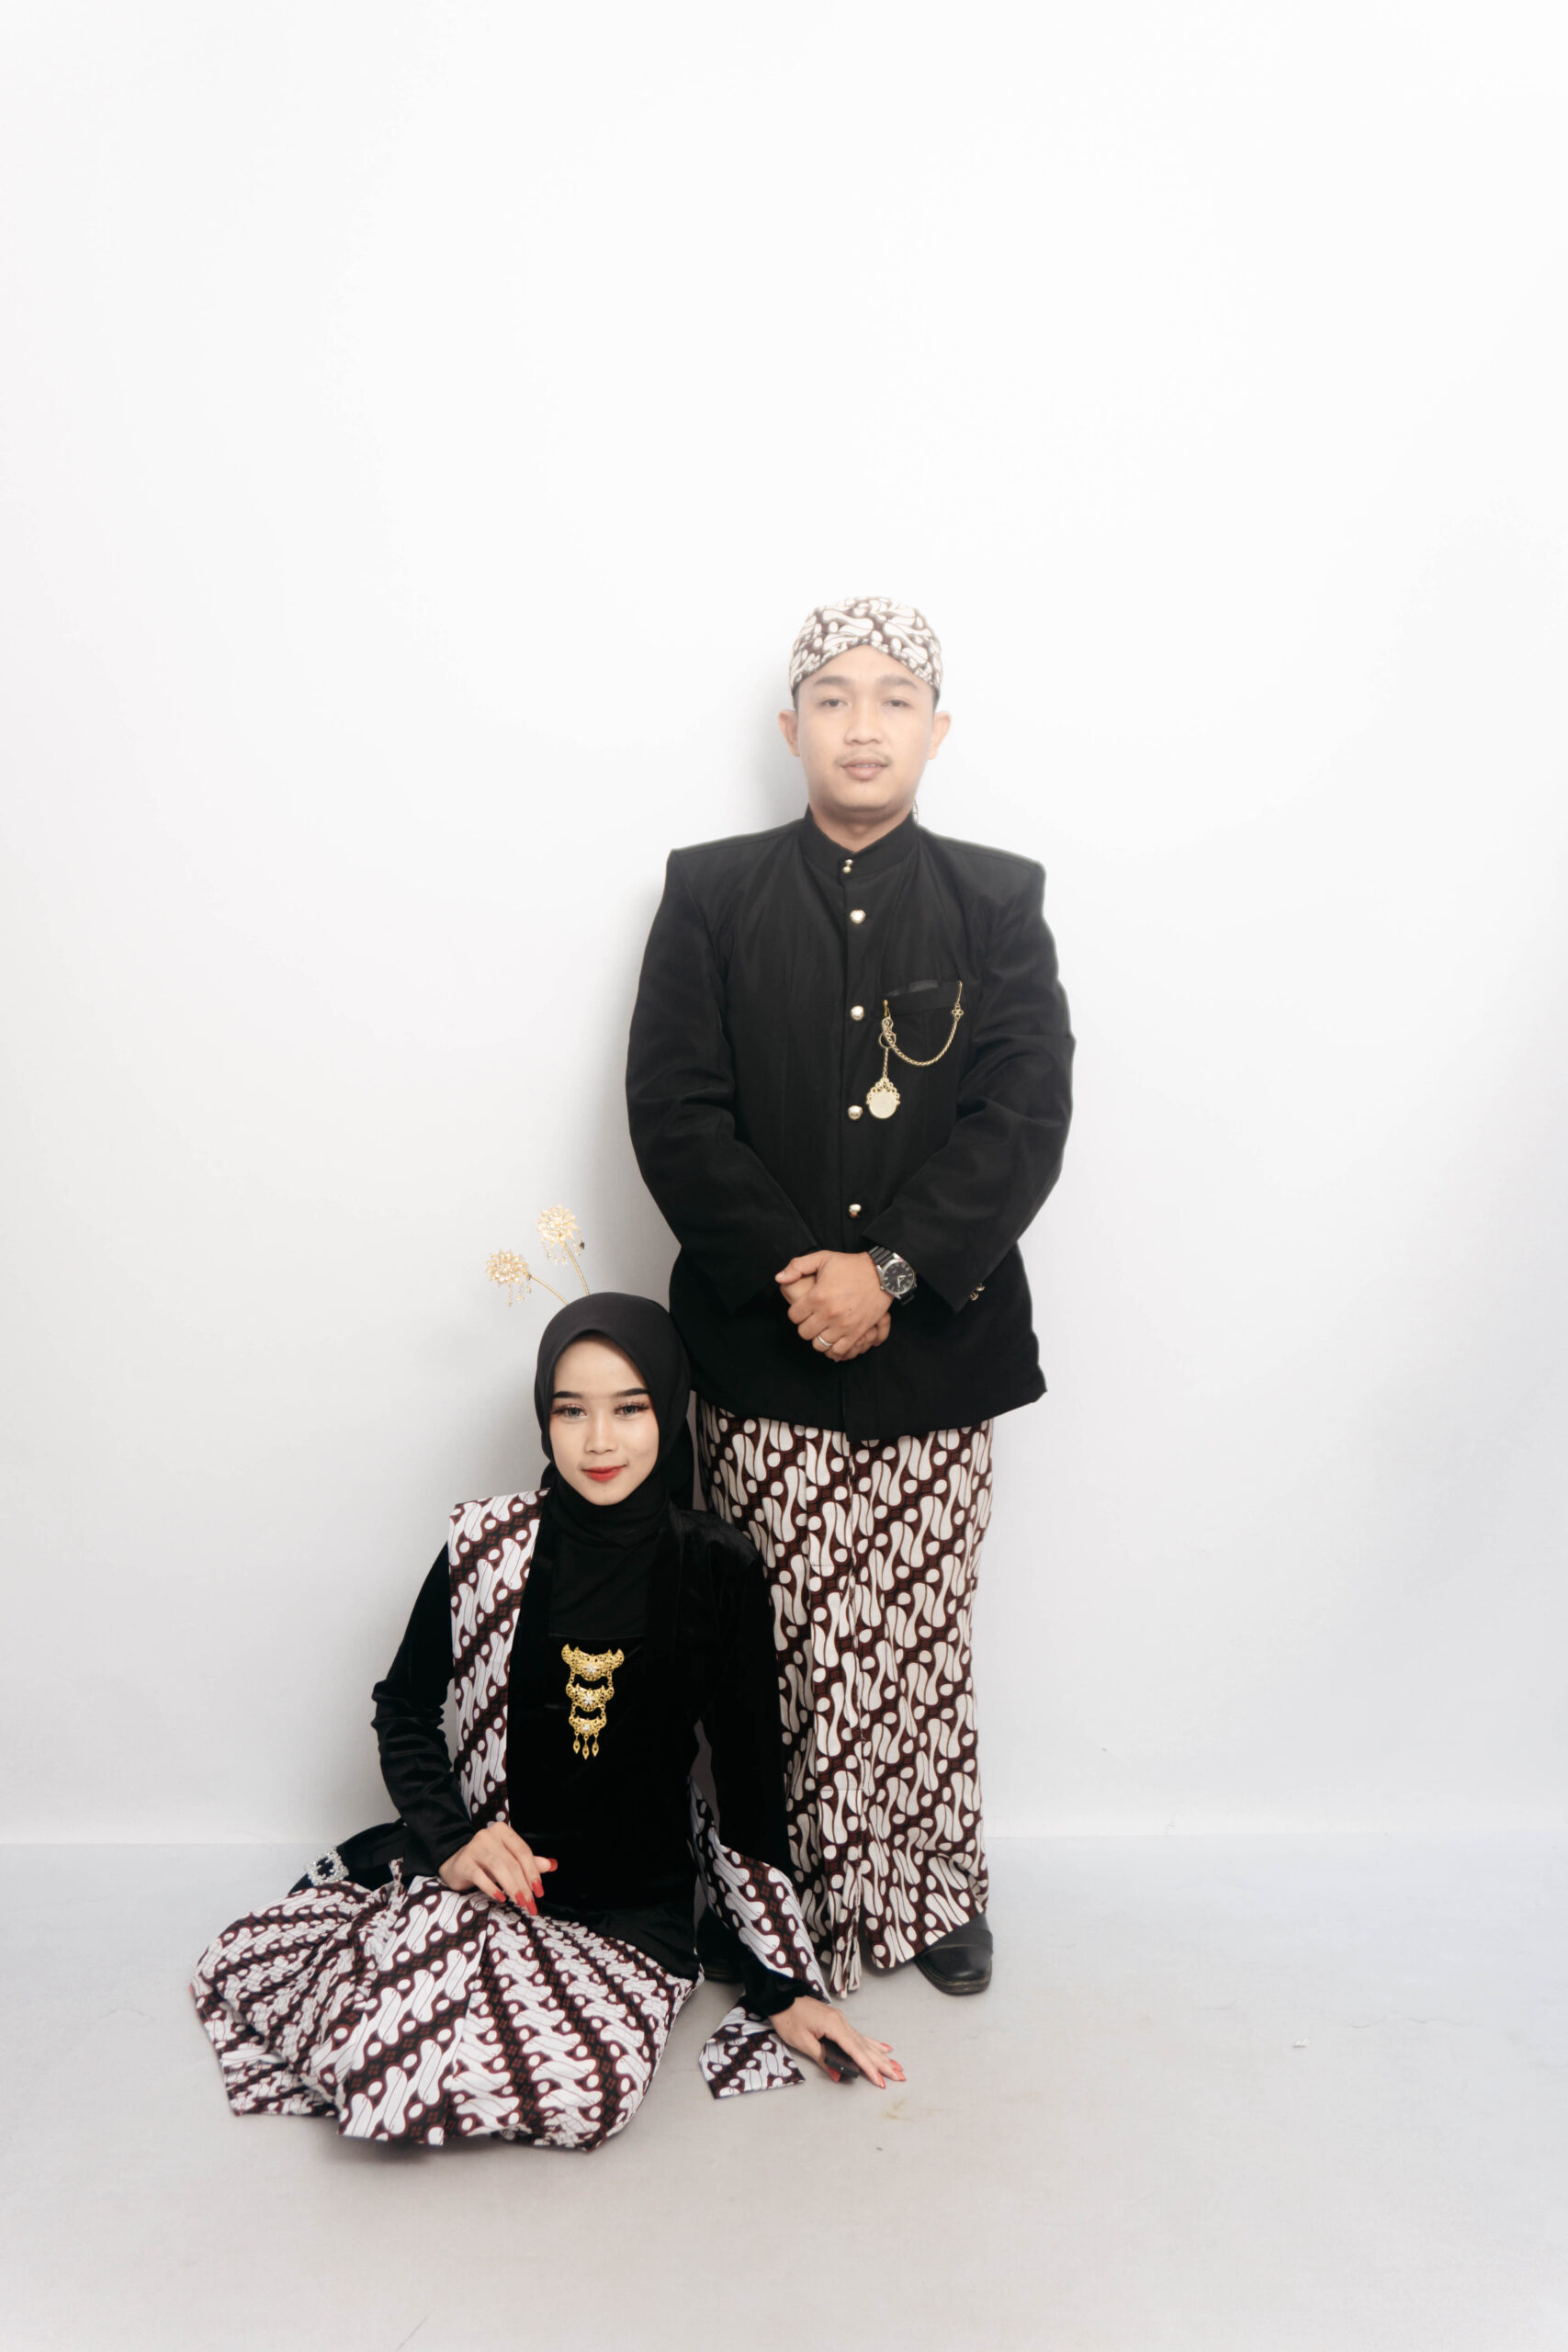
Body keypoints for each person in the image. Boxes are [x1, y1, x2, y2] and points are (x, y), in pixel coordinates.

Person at [626, 597, 1073, 1999]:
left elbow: (1021, 1118)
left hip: (940, 1344)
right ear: (789, 728)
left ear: (936, 731)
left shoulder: (997, 900)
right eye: (832, 698)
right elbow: (675, 1110)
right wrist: (798, 1275)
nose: (861, 724)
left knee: (918, 1632)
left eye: (892, 699)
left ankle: (932, 1893)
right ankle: (780, 1899)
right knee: (778, 1639)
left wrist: (885, 1273)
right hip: (759, 1347)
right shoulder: (709, 893)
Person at [191, 1294, 900, 2148]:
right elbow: (403, 1706)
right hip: (492, 1882)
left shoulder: (718, 1565)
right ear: (544, 1417)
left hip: (631, 1911)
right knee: (376, 2050)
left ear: (668, 1408)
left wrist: (784, 1986)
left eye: (629, 1409)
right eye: (571, 1411)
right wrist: (454, 1841)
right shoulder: (487, 1545)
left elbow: (748, 1779)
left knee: (588, 2094)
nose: (599, 1441)